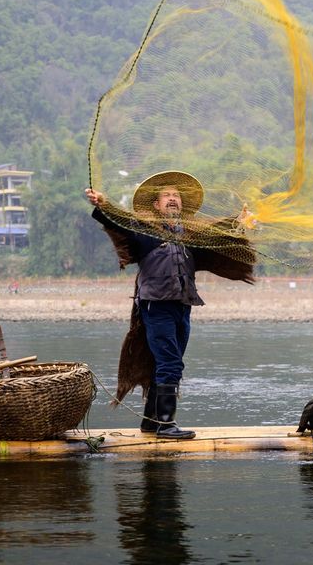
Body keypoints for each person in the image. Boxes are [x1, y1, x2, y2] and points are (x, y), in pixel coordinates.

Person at [85, 170, 255, 439]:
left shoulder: (191, 235)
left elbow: (219, 235)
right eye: (167, 196)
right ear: (156, 205)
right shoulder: (142, 231)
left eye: (176, 196)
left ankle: (151, 424)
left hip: (183, 306)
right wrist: (103, 204)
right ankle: (166, 425)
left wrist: (239, 222)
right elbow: (118, 221)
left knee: (165, 363)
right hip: (156, 307)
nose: (173, 199)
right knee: (171, 364)